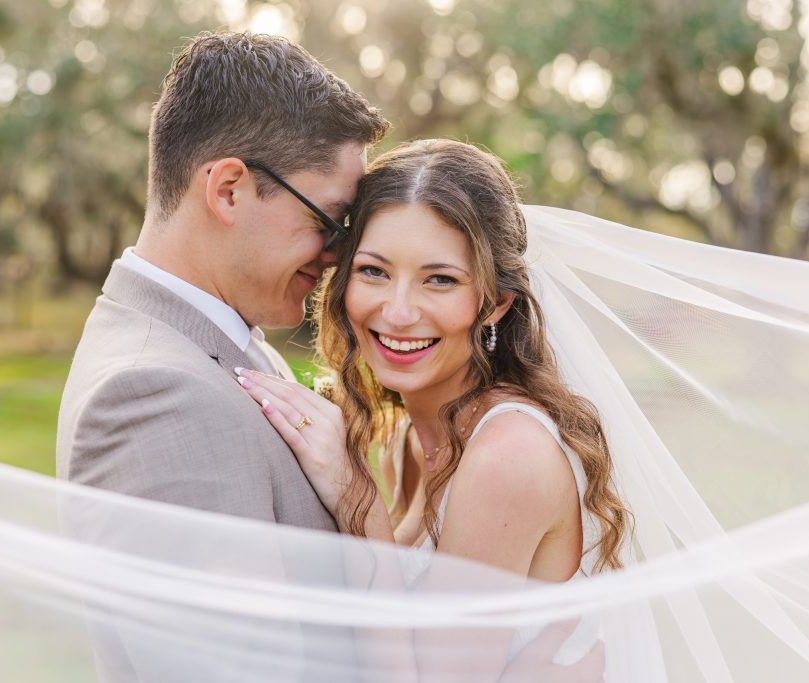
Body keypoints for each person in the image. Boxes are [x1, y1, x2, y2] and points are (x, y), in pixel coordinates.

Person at [235, 138, 633, 678]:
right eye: (374, 270)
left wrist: (360, 503)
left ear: (494, 303)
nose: (397, 312)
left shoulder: (507, 456)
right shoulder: (408, 436)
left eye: (439, 279)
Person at [56, 31, 387, 528]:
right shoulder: (158, 398)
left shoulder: (227, 338)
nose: (339, 255)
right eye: (329, 222)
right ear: (229, 190)